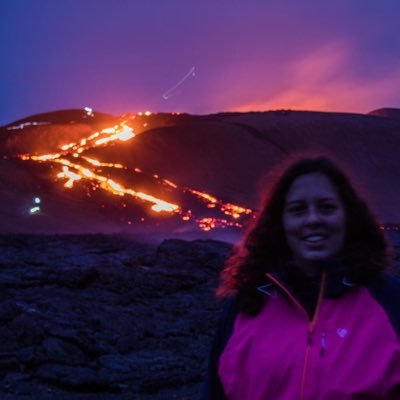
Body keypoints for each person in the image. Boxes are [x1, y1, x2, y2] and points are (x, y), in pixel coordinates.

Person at [203, 156, 400, 400]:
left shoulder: (390, 302)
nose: (313, 219)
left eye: (326, 207)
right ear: (280, 222)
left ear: (349, 216)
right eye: (298, 210)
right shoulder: (245, 306)